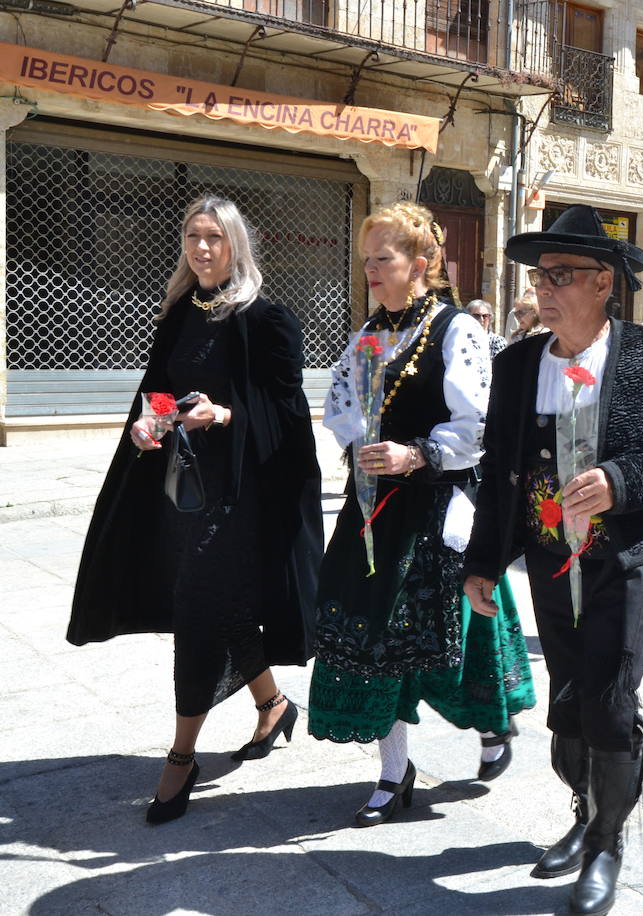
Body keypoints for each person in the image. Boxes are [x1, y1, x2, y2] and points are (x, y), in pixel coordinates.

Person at [463, 205, 643, 916]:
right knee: (568, 702)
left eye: (561, 275)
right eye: (539, 275)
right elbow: (500, 470)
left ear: (604, 282)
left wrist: (621, 482)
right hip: (549, 562)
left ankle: (607, 842)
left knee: (609, 701)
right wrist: (483, 562)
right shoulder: (516, 365)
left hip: (625, 560)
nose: (544, 288)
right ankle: (583, 813)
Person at [68, 197, 324, 824]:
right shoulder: (181, 310)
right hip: (182, 490)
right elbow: (160, 386)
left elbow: (289, 420)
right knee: (216, 604)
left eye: (214, 237)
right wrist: (148, 424)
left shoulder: (266, 319)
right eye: (192, 236)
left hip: (239, 497)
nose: (201, 248)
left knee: (199, 611)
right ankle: (273, 704)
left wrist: (227, 414)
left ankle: (181, 756)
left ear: (236, 244)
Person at [309, 202, 535, 826]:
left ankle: (492, 725)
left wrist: (416, 453)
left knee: (456, 634)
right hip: (373, 510)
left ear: (423, 264)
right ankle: (394, 768)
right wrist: (363, 441)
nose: (372, 273)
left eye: (384, 259)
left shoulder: (457, 330)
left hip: (436, 507)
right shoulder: (368, 335)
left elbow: (476, 424)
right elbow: (340, 406)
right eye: (367, 262)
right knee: (374, 637)